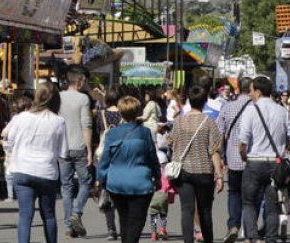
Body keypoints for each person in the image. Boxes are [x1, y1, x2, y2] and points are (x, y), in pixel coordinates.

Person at [3, 81, 69, 243]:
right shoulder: (58, 121)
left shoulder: (21, 117)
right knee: (49, 214)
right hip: (46, 172)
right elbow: (63, 152)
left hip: (22, 169)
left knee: (25, 215)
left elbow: (9, 141)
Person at [238, 77, 290, 243]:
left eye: (251, 91)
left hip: (254, 161)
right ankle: (271, 238)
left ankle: (253, 237)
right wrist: (285, 151)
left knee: (249, 202)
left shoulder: (250, 110)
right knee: (273, 206)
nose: (250, 94)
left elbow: (243, 141)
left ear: (258, 91)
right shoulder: (282, 111)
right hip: (275, 163)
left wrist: (244, 156)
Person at [95, 96, 160, 243]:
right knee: (136, 223)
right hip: (140, 184)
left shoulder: (111, 134)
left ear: (121, 112)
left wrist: (100, 179)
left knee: (124, 221)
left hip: (116, 184)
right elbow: (152, 157)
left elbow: (105, 160)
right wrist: (157, 176)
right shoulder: (144, 133)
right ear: (138, 112)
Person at [168, 86, 224, 243]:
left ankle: (188, 240)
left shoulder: (179, 121)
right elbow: (214, 151)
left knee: (187, 209)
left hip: (183, 172)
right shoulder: (209, 122)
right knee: (205, 210)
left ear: (189, 101)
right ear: (205, 102)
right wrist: (219, 175)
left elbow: (170, 141)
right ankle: (208, 239)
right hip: (204, 172)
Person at [58, 68, 94, 238]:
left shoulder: (58, 97)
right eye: (84, 81)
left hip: (62, 148)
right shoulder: (83, 98)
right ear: (79, 81)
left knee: (66, 187)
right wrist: (89, 150)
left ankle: (68, 226)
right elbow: (86, 125)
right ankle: (76, 213)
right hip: (79, 146)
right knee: (86, 181)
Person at [218, 77, 252, 243]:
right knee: (251, 196)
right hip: (252, 158)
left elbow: (219, 134)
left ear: (238, 87)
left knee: (234, 193)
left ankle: (233, 225)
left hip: (233, 159)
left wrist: (221, 157)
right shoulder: (256, 107)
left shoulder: (228, 106)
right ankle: (248, 228)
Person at [97, 86, 124, 240]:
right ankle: (123, 225)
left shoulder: (101, 115)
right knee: (119, 192)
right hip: (120, 155)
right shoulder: (123, 115)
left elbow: (97, 133)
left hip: (104, 155)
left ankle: (111, 229)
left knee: (106, 192)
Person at [3, 95, 33, 202]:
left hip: (13, 149)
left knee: (10, 173)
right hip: (21, 149)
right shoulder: (28, 118)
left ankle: (11, 195)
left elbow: (5, 133)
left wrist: (9, 145)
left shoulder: (16, 118)